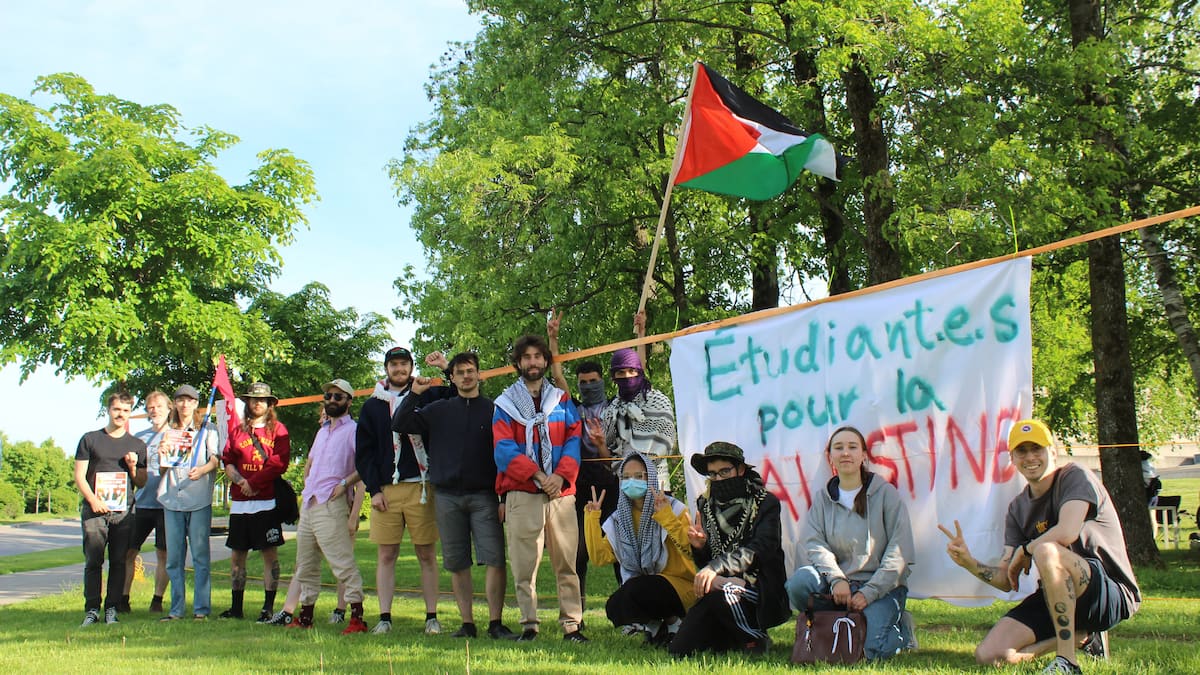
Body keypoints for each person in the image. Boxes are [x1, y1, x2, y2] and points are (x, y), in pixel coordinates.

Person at [939, 419, 1141, 674]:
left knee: (1047, 551)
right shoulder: (1017, 508)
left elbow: (1066, 532)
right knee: (989, 655)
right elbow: (1007, 580)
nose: (1030, 457)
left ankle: (1067, 662)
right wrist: (969, 563)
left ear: (1053, 452)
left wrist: (1026, 549)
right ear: (1012, 458)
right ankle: (1083, 638)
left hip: (1108, 593)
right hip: (1055, 594)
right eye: (1022, 451)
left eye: (1037, 448)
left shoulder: (1075, 477)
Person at [393, 352, 518, 640]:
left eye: (470, 371)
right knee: (457, 562)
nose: (466, 376)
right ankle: (467, 624)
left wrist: (503, 498)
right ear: (452, 377)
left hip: (485, 496)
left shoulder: (493, 410)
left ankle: (496, 623)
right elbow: (400, 423)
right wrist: (414, 393)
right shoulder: (439, 409)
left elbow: (506, 455)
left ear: (479, 374)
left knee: (495, 559)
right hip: (447, 496)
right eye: (459, 372)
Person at [784, 426, 917, 659]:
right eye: (839, 447)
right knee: (798, 583)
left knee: (869, 651)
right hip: (837, 585)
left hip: (880, 587)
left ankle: (902, 631)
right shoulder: (823, 498)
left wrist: (870, 592)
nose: (845, 453)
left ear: (863, 455)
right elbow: (815, 543)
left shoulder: (885, 494)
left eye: (852, 447)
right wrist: (836, 579)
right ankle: (828, 623)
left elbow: (900, 551)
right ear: (830, 457)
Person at [493, 334, 587, 642]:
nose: (532, 362)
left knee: (567, 563)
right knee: (524, 566)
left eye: (537, 356)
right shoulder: (505, 404)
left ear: (546, 361)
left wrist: (560, 476)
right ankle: (529, 625)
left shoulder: (561, 400)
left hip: (560, 492)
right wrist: (536, 474)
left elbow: (573, 439)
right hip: (523, 492)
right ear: (518, 362)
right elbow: (503, 449)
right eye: (526, 357)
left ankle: (572, 625)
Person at [355, 346, 449, 635]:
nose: (399, 369)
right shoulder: (373, 406)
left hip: (422, 486)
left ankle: (431, 617)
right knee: (386, 555)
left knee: (426, 554)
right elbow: (365, 454)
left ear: (411, 366)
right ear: (386, 369)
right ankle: (384, 618)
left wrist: (445, 367)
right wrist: (374, 491)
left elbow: (459, 393)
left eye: (404, 364)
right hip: (388, 490)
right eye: (393, 364)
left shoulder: (427, 394)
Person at [669, 441, 787, 657]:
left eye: (724, 471)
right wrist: (700, 547)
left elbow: (762, 548)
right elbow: (706, 561)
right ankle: (730, 634)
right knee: (679, 649)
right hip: (717, 586)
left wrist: (717, 568)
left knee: (723, 595)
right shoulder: (705, 504)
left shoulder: (764, 502)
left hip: (757, 586)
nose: (719, 479)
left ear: (740, 470)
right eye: (712, 474)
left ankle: (755, 637)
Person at [584, 452, 696, 646]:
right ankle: (657, 627)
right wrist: (592, 519)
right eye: (626, 477)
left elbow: (691, 549)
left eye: (638, 476)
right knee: (616, 605)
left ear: (650, 477)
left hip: (682, 587)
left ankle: (675, 624)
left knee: (640, 589)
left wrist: (666, 517)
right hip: (646, 585)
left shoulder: (674, 508)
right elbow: (599, 558)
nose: (631, 482)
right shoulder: (621, 518)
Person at [547, 309, 619, 607]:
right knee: (577, 553)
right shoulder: (573, 408)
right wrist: (553, 339)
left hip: (612, 485)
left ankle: (632, 611)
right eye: (583, 382)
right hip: (580, 487)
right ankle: (576, 611)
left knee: (619, 548)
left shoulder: (615, 407)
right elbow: (557, 375)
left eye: (593, 381)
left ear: (602, 381)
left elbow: (639, 372)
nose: (588, 385)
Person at [286, 378, 369, 633]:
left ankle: (357, 618)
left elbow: (366, 465)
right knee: (305, 564)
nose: (332, 400)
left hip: (332, 504)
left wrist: (344, 484)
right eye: (328, 396)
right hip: (310, 503)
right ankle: (306, 616)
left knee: (341, 562)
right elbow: (311, 463)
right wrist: (307, 485)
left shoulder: (354, 430)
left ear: (349, 402)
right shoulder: (322, 431)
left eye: (338, 397)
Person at [74, 392, 149, 626]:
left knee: (118, 561)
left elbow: (142, 482)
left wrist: (133, 467)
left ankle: (112, 609)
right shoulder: (90, 439)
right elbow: (79, 476)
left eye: (126, 410)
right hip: (94, 511)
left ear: (130, 413)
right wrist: (93, 500)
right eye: (117, 409)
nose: (121, 414)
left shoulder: (137, 445)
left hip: (123, 512)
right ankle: (92, 609)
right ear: (108, 410)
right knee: (93, 561)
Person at [220, 382, 290, 621]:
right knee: (237, 555)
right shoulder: (237, 431)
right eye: (253, 399)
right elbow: (228, 461)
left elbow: (279, 463)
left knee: (269, 555)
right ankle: (236, 608)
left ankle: (267, 608)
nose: (258, 403)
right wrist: (241, 482)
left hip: (266, 502)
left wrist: (254, 483)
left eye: (262, 400)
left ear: (270, 404)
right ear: (247, 402)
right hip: (240, 503)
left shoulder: (278, 430)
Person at [156, 385, 221, 621]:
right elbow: (162, 470)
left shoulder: (208, 429)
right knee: (174, 559)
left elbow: (216, 459)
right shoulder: (168, 431)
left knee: (200, 556)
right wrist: (162, 454)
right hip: (172, 499)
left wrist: (202, 470)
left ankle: (201, 609)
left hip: (198, 498)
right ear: (175, 403)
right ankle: (176, 609)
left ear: (196, 404)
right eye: (181, 400)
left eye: (190, 400)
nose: (185, 405)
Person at [601, 346, 676, 494]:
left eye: (631, 371)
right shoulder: (611, 410)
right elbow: (611, 451)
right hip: (626, 484)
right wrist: (599, 442)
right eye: (621, 372)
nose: (627, 376)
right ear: (614, 376)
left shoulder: (659, 401)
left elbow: (666, 442)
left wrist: (643, 467)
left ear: (639, 372)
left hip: (657, 480)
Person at [123, 390, 171, 614]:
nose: (155, 410)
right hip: (141, 503)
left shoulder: (177, 435)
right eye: (151, 407)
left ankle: (157, 600)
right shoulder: (138, 438)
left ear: (169, 408)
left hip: (166, 505)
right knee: (129, 552)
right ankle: (123, 599)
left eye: (159, 406)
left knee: (164, 554)